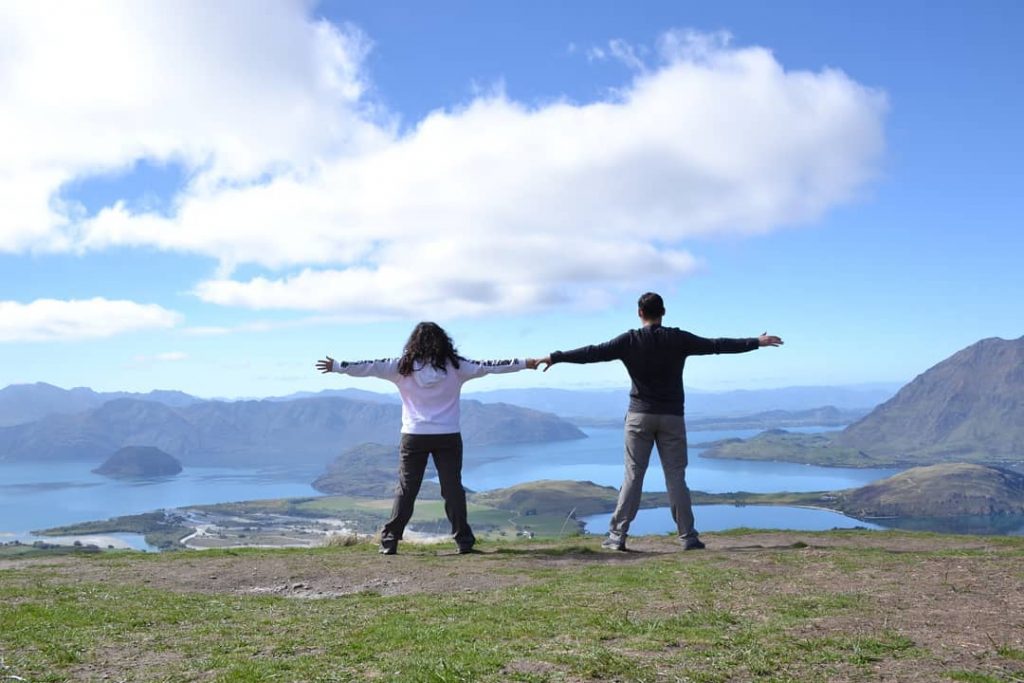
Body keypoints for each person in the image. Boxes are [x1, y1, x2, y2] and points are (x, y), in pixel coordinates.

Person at [537, 292, 783, 551]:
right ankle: (688, 537)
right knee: (676, 478)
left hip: (639, 417)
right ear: (663, 312)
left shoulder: (628, 341)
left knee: (633, 476)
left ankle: (617, 537)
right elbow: (716, 345)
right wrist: (756, 341)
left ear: (639, 313)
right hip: (672, 417)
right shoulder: (678, 339)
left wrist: (556, 357)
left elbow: (592, 353)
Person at [316, 322, 539, 555]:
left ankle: (390, 541)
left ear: (413, 343)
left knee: (407, 488)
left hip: (414, 436)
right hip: (448, 435)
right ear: (444, 342)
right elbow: (490, 366)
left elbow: (369, 366)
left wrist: (338, 366)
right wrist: (526, 363)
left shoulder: (400, 367)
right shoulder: (456, 367)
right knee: (452, 488)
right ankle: (464, 542)